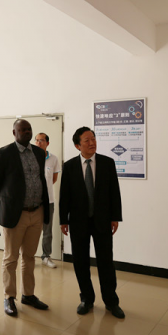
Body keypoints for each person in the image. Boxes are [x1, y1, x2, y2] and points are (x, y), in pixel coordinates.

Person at [59, 127, 125, 318]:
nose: (92, 143)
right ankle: (86, 299)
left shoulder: (107, 163)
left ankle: (111, 301)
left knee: (106, 262)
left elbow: (114, 192)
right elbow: (65, 195)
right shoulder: (70, 166)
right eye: (87, 140)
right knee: (80, 262)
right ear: (77, 145)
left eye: (93, 139)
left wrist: (115, 217)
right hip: (78, 221)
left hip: (102, 220)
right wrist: (63, 220)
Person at [0, 119, 50, 317]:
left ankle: (28, 295)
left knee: (30, 256)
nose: (26, 132)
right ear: (14, 132)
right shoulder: (4, 153)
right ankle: (9, 297)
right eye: (22, 129)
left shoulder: (39, 152)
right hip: (15, 214)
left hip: (37, 211)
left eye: (28, 129)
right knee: (11, 258)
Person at [34, 132, 62, 269]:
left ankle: (46, 256)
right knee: (30, 230)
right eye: (37, 140)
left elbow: (53, 179)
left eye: (42, 140)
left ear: (47, 143)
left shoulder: (53, 159)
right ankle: (28, 257)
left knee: (47, 230)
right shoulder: (30, 158)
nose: (39, 143)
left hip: (48, 200)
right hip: (33, 201)